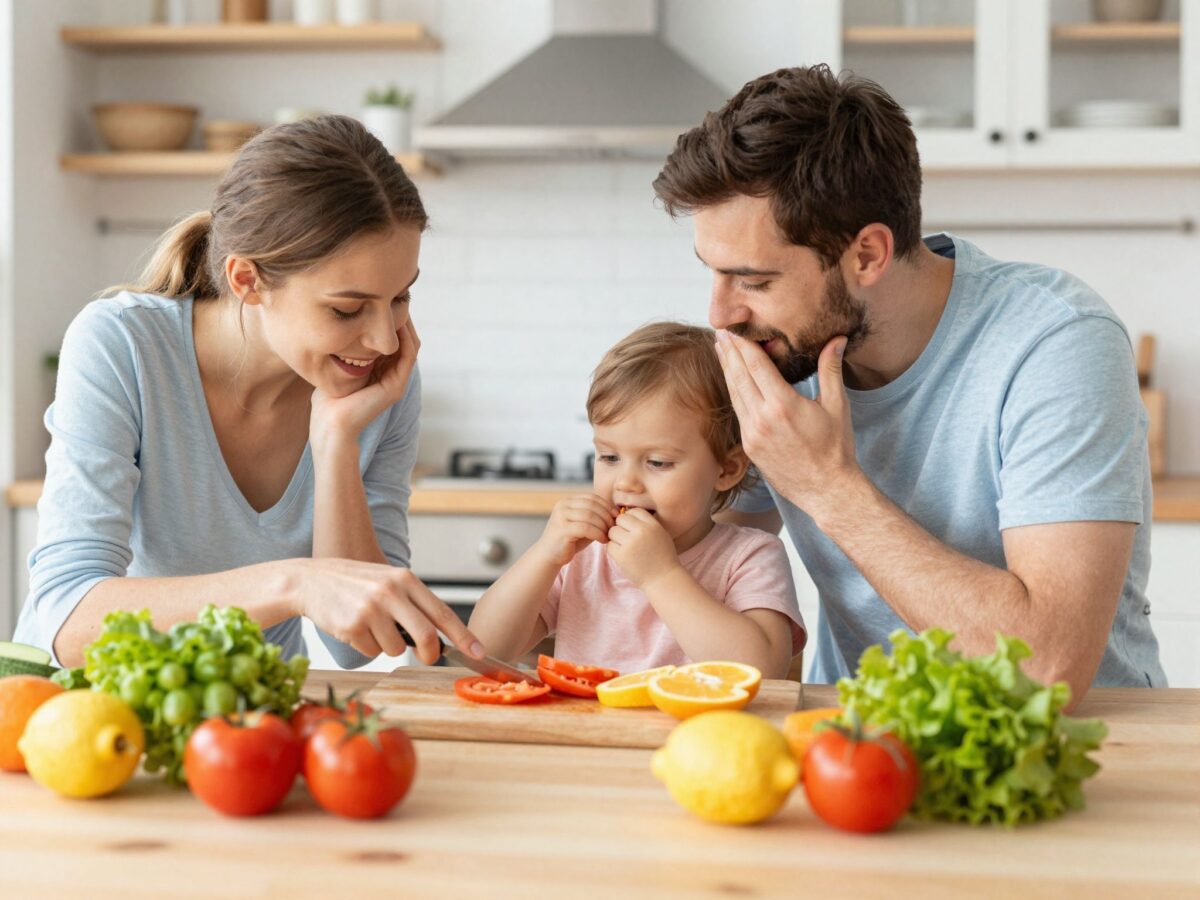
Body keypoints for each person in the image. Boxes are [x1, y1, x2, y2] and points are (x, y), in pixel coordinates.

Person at [650, 65, 1166, 702]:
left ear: (867, 254)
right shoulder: (782, 353)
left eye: (754, 281)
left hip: (1080, 739)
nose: (720, 313)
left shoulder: (1055, 343)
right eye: (714, 272)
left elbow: (1044, 666)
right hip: (859, 738)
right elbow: (698, 559)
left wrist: (827, 486)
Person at [14, 115, 485, 670]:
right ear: (247, 280)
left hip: (247, 712)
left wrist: (336, 442)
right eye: (347, 309)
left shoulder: (381, 386)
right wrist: (295, 583)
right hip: (79, 707)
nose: (385, 339)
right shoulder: (123, 345)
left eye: (400, 298)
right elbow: (69, 620)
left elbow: (357, 645)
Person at [468, 322, 805, 678]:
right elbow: (483, 649)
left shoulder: (750, 558)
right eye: (609, 457)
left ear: (727, 468)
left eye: (657, 462)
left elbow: (762, 672)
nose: (625, 482)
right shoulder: (583, 558)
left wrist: (660, 575)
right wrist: (544, 556)